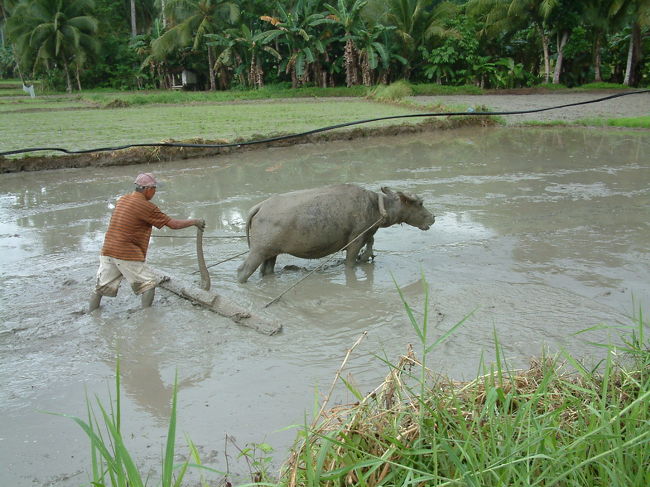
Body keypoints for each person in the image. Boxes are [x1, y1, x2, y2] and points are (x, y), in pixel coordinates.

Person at [89, 173, 205, 312]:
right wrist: (195, 222)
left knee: (101, 287)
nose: (155, 192)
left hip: (108, 250)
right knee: (149, 284)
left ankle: (92, 313)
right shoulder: (146, 207)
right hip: (126, 253)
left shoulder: (123, 200)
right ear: (148, 189)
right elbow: (173, 224)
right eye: (154, 189)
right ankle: (147, 318)